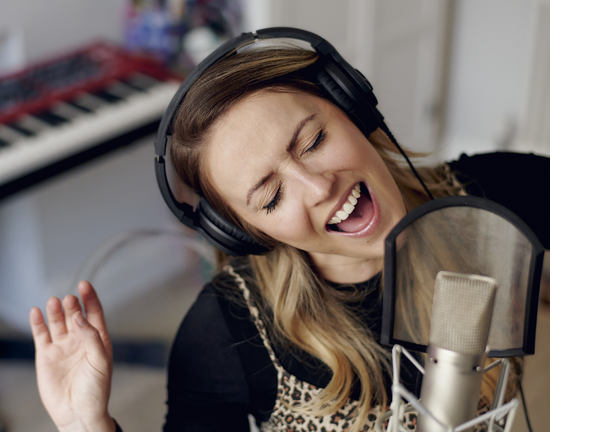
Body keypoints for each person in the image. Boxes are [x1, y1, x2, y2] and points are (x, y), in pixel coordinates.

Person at [29, 31, 549, 432]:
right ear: (249, 232)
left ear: (351, 107)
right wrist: (87, 424)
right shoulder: (226, 330)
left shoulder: (493, 195)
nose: (318, 186)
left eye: (314, 140)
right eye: (271, 197)